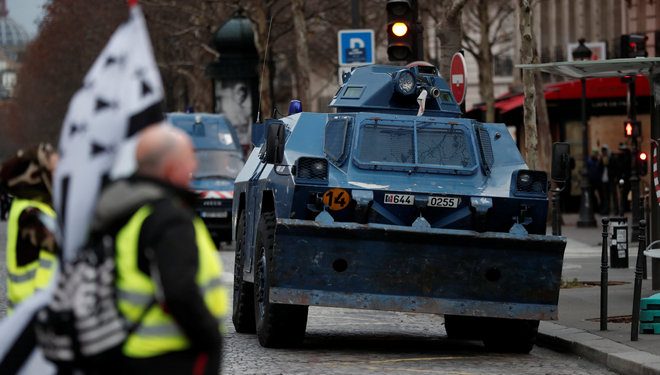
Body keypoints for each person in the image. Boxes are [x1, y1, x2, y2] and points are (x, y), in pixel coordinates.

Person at [91, 124, 226, 374]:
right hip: (174, 356)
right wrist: (210, 337)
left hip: (136, 349)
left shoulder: (129, 209)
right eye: (190, 160)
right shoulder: (169, 218)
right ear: (171, 169)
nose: (194, 168)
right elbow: (179, 291)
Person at [0, 143, 58, 314]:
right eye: (54, 170)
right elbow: (64, 244)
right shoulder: (31, 213)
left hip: (31, 308)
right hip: (35, 311)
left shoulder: (31, 205)